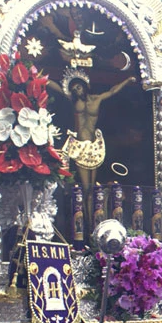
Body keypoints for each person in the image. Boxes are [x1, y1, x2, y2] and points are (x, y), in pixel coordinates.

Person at [48, 70, 138, 227]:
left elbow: (112, 91)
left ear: (85, 87)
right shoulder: (72, 100)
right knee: (85, 187)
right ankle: (85, 223)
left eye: (79, 87)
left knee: (92, 188)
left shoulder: (96, 99)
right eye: (74, 89)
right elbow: (57, 88)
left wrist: (127, 81)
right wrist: (41, 78)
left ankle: (92, 224)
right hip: (81, 147)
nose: (77, 91)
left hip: (94, 147)